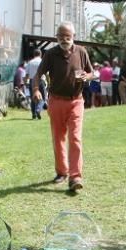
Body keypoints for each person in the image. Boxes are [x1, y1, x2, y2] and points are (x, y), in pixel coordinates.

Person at [35, 22, 92, 191]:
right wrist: (36, 89)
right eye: (61, 36)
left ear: (73, 36)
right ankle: (61, 172)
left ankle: (75, 177)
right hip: (56, 101)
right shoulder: (50, 54)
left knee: (75, 137)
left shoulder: (81, 51)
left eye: (68, 37)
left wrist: (86, 77)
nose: (64, 40)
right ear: (56, 37)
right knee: (58, 137)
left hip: (76, 101)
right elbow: (38, 74)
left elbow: (91, 72)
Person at [26, 49, 44, 119]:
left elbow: (27, 74)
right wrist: (49, 82)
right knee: (43, 97)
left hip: (31, 81)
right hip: (40, 80)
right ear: (40, 54)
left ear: (34, 55)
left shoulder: (30, 62)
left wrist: (25, 83)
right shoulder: (42, 61)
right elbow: (46, 73)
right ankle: (38, 109)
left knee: (33, 98)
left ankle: (33, 114)